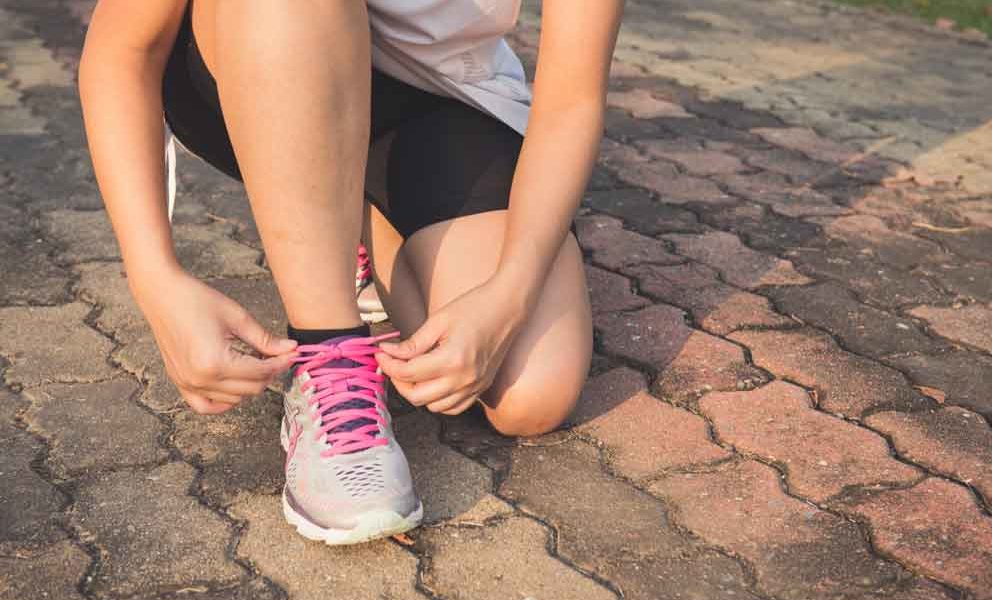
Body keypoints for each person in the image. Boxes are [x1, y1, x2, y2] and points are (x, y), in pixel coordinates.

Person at [79, 0, 623, 544]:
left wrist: (510, 294)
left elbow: (572, 100)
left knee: (529, 392)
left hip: (440, 93)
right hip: (260, 44)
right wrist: (154, 277)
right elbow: (122, 49)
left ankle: (346, 222)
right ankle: (328, 355)